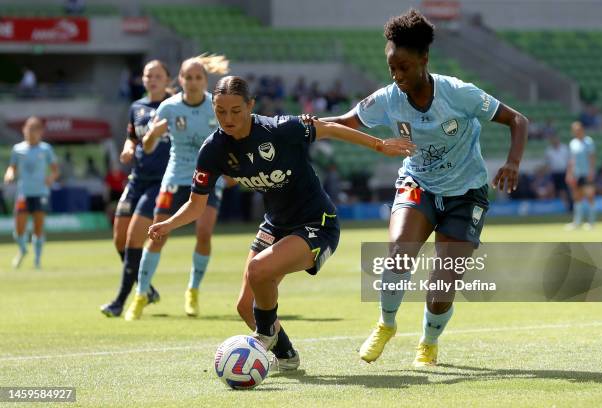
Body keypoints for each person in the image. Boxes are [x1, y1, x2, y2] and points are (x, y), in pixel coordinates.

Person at [147, 75, 413, 371]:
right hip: (275, 225)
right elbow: (196, 206)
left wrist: (379, 146)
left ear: (251, 105)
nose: (228, 118)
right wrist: (167, 225)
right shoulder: (213, 150)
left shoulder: (279, 128)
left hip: (317, 223)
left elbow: (330, 129)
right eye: (220, 111)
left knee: (258, 270)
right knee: (244, 306)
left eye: (236, 110)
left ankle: (262, 337)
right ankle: (286, 357)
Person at [318, 9, 528, 367]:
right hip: (418, 184)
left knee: (441, 287)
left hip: (466, 194)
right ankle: (386, 324)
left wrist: (512, 163)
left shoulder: (459, 93)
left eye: (404, 67)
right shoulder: (387, 98)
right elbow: (344, 122)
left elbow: (517, 120)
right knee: (400, 250)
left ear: (424, 60)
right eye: (391, 68)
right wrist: (299, 126)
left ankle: (428, 341)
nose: (397, 76)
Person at [124, 55, 231, 320]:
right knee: (158, 234)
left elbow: (232, 138)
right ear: (180, 80)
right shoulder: (169, 108)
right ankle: (141, 294)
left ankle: (193, 291)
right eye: (188, 77)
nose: (193, 82)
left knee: (204, 234)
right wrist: (151, 136)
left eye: (198, 78)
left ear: (205, 81)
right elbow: (147, 147)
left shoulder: (216, 106)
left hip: (208, 177)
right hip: (175, 176)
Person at [100, 60, 173, 317]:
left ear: (167, 79)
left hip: (161, 182)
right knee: (119, 238)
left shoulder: (174, 107)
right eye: (148, 75)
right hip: (136, 179)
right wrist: (128, 148)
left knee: (133, 238)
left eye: (157, 75)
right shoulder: (137, 107)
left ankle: (120, 301)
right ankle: (147, 288)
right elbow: (132, 137)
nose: (152, 79)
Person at [3, 117, 59, 268]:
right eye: (29, 129)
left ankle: (37, 260)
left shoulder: (46, 149)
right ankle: (22, 249)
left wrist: (51, 178)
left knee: (38, 227)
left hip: (41, 193)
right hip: (23, 193)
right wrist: (9, 174)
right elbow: (12, 167)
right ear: (24, 130)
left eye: (35, 129)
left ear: (40, 132)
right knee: (19, 228)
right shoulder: (18, 149)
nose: (31, 133)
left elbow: (55, 170)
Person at [565, 121, 596, 230]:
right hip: (576, 174)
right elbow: (571, 160)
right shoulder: (573, 143)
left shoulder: (589, 141)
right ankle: (577, 222)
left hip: (586, 173)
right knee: (577, 197)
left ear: (582, 129)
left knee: (589, 197)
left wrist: (591, 172)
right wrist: (569, 173)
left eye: (578, 129)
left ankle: (591, 223)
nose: (576, 132)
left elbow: (592, 157)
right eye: (574, 130)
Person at [545, 135, 570, 208]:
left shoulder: (564, 148)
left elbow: (569, 161)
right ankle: (552, 206)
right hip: (553, 173)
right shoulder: (548, 150)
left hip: (563, 172)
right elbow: (547, 163)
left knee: (563, 190)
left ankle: (566, 206)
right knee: (551, 189)